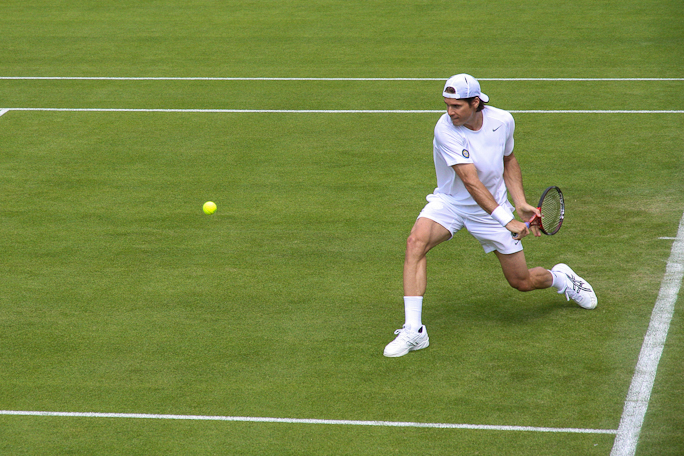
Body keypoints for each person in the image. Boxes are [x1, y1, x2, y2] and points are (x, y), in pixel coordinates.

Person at [383, 74, 597, 358]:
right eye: (447, 105)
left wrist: (519, 202)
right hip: (451, 203)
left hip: (491, 209)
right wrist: (507, 221)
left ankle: (561, 279)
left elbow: (508, 160)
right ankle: (414, 331)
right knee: (415, 242)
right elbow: (470, 182)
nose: (449, 112)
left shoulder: (503, 121)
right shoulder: (445, 129)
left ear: (475, 103)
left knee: (522, 282)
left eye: (456, 106)